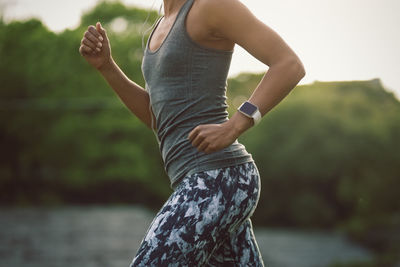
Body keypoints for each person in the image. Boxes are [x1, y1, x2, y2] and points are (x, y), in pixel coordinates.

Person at [79, 0, 305, 265]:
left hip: (219, 178)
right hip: (198, 180)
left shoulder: (213, 6)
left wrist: (235, 125)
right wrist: (107, 66)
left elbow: (289, 64)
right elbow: (157, 117)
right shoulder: (159, 24)